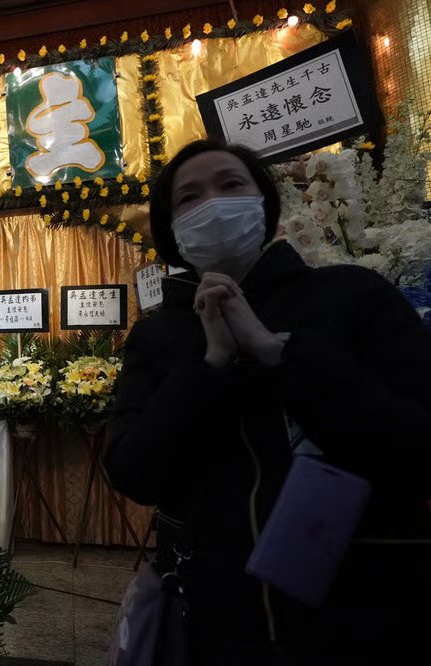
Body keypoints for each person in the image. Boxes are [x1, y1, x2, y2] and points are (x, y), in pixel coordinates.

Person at [105, 139, 431, 665]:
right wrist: (208, 367)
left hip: (366, 609)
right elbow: (132, 471)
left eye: (231, 185)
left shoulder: (353, 293)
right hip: (216, 619)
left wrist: (279, 352)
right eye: (188, 198)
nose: (212, 204)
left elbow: (416, 443)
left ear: (264, 202)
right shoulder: (158, 336)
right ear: (171, 230)